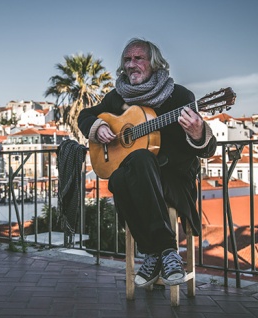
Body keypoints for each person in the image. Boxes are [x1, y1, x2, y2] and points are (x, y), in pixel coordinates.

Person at [78, 38, 217, 287]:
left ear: (154, 64)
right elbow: (85, 115)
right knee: (122, 175)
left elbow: (208, 150)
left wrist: (198, 134)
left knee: (134, 165)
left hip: (173, 181)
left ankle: (152, 253)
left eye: (138, 58)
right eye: (127, 60)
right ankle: (165, 251)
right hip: (137, 181)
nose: (131, 64)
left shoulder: (180, 97)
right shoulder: (117, 97)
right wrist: (97, 128)